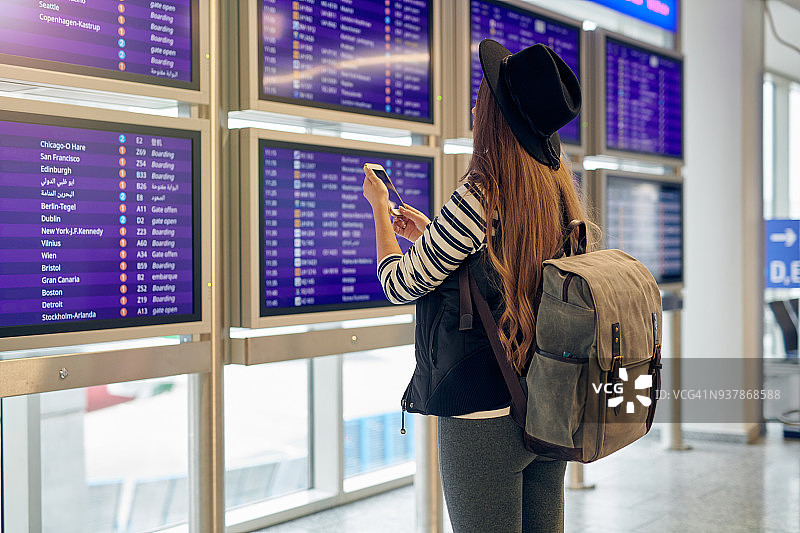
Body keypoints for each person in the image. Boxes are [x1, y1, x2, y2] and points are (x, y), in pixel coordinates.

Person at [362, 39, 587, 533]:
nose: (472, 108)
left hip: (482, 412)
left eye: (482, 98)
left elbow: (398, 283)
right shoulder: (557, 193)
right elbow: (501, 271)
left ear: (496, 117)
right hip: (545, 401)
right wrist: (431, 236)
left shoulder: (480, 195)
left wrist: (379, 210)